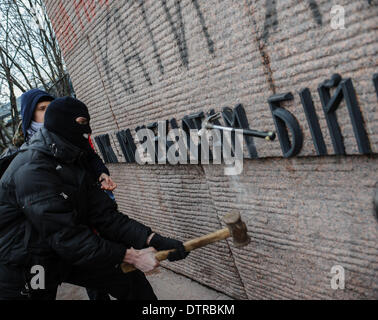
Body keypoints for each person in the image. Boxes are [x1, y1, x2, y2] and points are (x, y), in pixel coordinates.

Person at [0, 96, 189, 300]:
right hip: (25, 264)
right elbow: (68, 237)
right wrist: (132, 256)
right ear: (62, 123)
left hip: (63, 250)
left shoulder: (73, 157)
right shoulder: (32, 170)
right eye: (81, 123)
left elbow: (105, 215)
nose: (87, 131)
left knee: (129, 282)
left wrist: (152, 239)